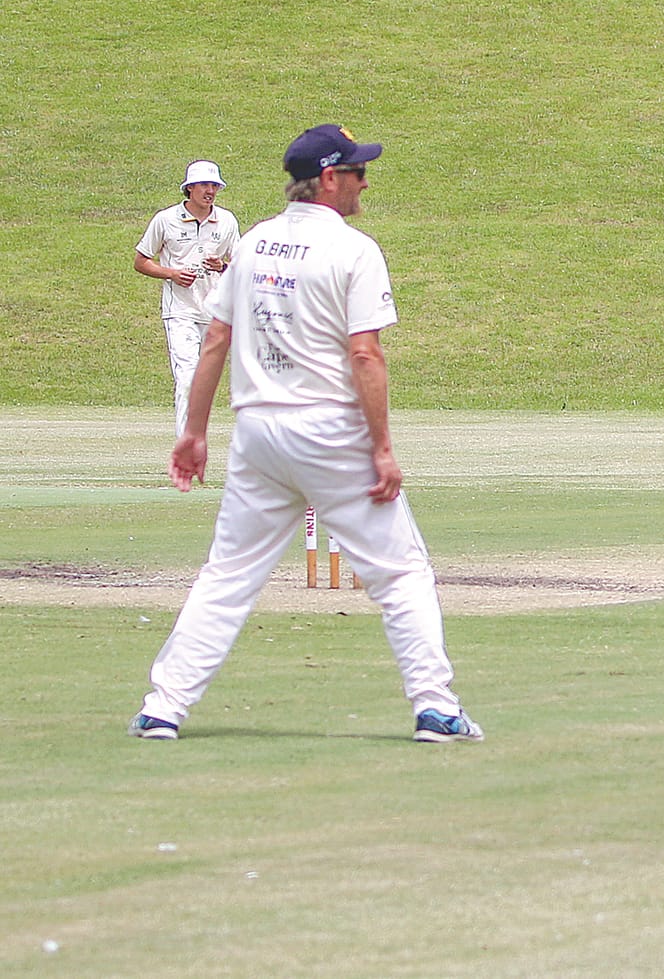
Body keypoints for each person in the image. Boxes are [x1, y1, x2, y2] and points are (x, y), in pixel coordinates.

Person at [129, 124, 481, 743]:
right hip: (331, 433)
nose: (365, 182)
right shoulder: (354, 249)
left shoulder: (257, 241)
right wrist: (381, 448)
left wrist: (194, 433)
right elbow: (366, 355)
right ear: (326, 179)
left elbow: (216, 339)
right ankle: (436, 708)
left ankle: (163, 708)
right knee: (400, 574)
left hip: (259, 435)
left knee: (228, 573)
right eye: (356, 172)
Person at [134, 160, 240, 433]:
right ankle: (187, 442)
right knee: (188, 376)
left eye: (215, 186)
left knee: (204, 379)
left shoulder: (226, 221)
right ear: (189, 188)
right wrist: (171, 273)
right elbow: (141, 261)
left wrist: (223, 267)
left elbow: (239, 265)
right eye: (205, 185)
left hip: (214, 311)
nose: (211, 191)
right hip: (180, 310)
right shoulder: (166, 220)